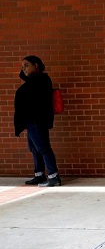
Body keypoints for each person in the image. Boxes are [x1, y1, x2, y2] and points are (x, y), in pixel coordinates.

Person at [14, 56, 62, 187]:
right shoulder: (33, 80)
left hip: (37, 119)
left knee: (43, 147)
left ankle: (53, 176)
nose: (24, 69)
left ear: (36, 65)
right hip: (31, 120)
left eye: (26, 65)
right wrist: (25, 71)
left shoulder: (41, 79)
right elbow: (25, 79)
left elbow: (33, 95)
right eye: (22, 66)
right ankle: (39, 175)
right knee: (34, 148)